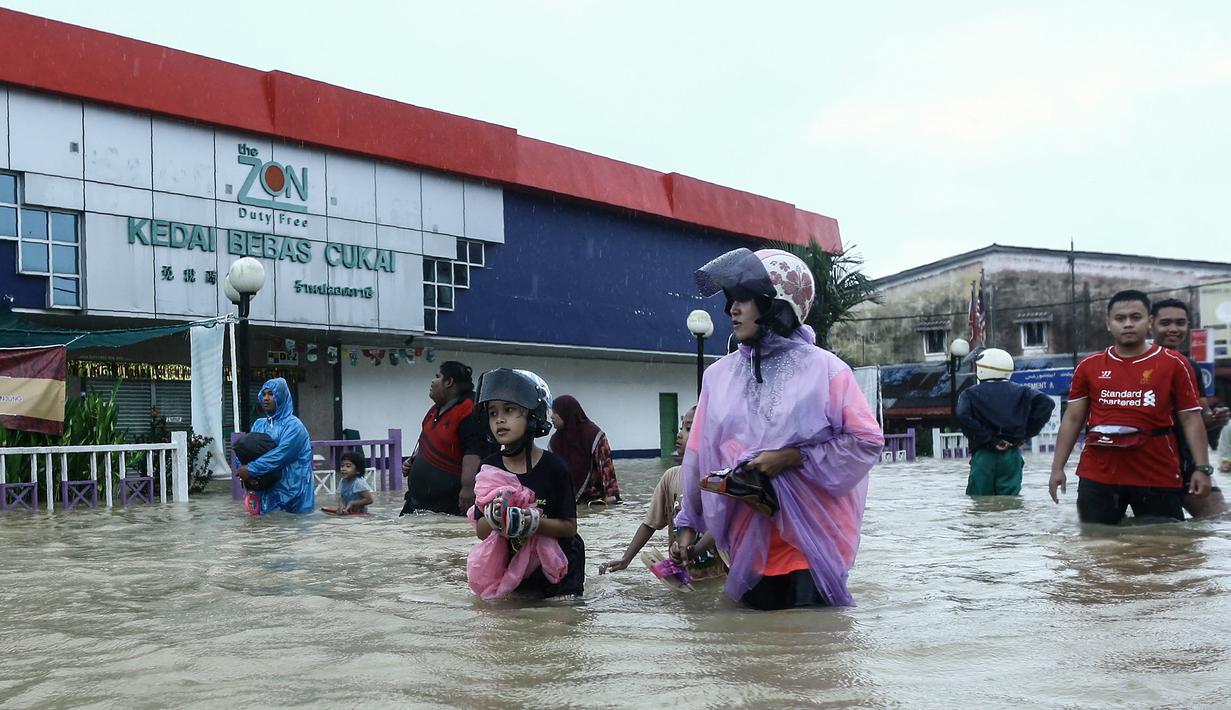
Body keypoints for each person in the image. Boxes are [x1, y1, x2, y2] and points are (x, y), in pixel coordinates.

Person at [671, 247, 884, 610]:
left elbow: (865, 441)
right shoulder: (718, 377)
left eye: (745, 299)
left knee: (807, 654)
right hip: (746, 542)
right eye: (731, 300)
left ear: (778, 306)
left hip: (809, 540)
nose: (732, 310)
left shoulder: (827, 371)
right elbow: (698, 456)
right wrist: (687, 524)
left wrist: (792, 457)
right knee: (756, 658)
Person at [1049, 290, 1212, 524]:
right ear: (1108, 324)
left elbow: (1190, 419)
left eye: (1135, 317)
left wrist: (1202, 468)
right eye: (1120, 318)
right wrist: (1057, 468)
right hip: (1098, 474)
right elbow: (1073, 419)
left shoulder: (1175, 364)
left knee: (1166, 546)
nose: (1128, 324)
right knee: (1095, 544)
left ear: (1149, 322)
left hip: (1156, 473)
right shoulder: (1088, 366)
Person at [470, 368, 585, 598]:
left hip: (559, 574)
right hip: (512, 574)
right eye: (493, 413)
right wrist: (495, 517)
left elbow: (569, 527)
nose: (499, 419)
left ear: (533, 415)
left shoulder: (555, 468)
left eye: (509, 410)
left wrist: (534, 523)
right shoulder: (488, 469)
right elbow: (481, 532)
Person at [600, 408, 722, 578]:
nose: (679, 434)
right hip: (683, 577)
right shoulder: (671, 477)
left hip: (718, 576)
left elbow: (720, 527)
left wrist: (694, 551)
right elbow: (650, 523)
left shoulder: (719, 480)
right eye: (681, 427)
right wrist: (626, 559)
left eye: (689, 429)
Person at [1150, 297, 1229, 517]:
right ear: (1151, 324)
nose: (1173, 329)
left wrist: (1214, 419)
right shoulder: (1137, 363)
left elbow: (1201, 417)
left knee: (1219, 518)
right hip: (1149, 463)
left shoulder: (1191, 366)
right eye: (1166, 323)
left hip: (1187, 461)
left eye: (1180, 323)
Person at [956, 348, 1055, 496]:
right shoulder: (1023, 391)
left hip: (984, 455)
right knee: (1011, 502)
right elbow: (1047, 404)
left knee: (979, 503)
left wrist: (990, 439)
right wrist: (1025, 434)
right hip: (1011, 454)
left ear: (982, 369)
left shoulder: (969, 394)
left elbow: (962, 416)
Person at [401, 361, 494, 516]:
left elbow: (475, 450)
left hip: (449, 505)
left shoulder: (470, 409)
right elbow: (428, 441)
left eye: (437, 376)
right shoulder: (434, 411)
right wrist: (413, 461)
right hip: (417, 503)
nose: (432, 381)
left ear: (449, 382)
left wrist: (468, 488)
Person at [234, 377, 315, 514]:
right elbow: (248, 451)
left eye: (271, 394)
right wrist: (244, 471)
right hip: (267, 488)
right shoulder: (259, 424)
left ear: (281, 396)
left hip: (294, 491)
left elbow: (281, 455)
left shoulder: (294, 426)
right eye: (264, 394)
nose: (266, 398)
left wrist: (251, 469)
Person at [549, 395, 621, 505]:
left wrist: (611, 495)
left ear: (565, 413)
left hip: (595, 501)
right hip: (568, 501)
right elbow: (553, 474)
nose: (551, 417)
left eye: (555, 413)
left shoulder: (594, 435)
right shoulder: (555, 442)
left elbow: (606, 466)